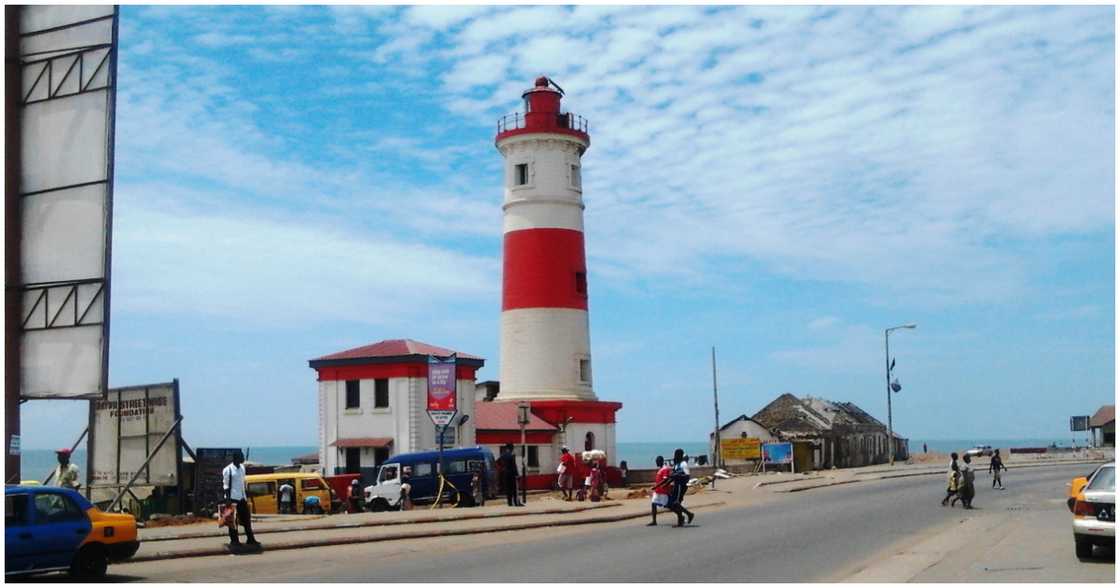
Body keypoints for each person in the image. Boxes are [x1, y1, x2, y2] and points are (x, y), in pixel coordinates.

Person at [222, 453, 259, 548]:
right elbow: (225, 485)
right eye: (241, 457)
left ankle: (250, 539)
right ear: (236, 458)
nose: (243, 458)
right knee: (232, 521)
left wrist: (246, 494)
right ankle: (234, 541)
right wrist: (228, 499)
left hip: (242, 497)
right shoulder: (228, 470)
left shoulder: (242, 468)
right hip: (232, 497)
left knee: (246, 519)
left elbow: (243, 482)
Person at [666, 448, 695, 527]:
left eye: (677, 454)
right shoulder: (676, 465)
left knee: (676, 503)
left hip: (680, 486)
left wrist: (677, 475)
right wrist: (667, 483)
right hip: (676, 485)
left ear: (680, 455)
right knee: (671, 504)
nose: (675, 456)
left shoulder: (683, 464)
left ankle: (689, 514)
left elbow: (687, 476)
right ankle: (680, 521)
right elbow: (673, 476)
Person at [647, 456, 671, 526]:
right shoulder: (660, 469)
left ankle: (681, 515)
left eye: (657, 461)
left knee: (669, 506)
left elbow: (665, 480)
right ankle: (654, 521)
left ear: (661, 461)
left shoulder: (665, 469)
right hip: (658, 491)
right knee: (653, 503)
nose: (656, 463)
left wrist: (656, 486)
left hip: (663, 491)